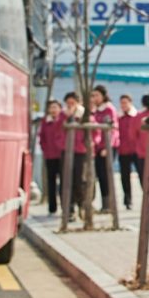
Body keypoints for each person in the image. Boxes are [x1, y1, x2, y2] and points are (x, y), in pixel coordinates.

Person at [59, 91, 88, 219]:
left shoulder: (84, 115)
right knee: (66, 179)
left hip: (81, 151)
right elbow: (57, 132)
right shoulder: (62, 115)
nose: (70, 105)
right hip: (66, 150)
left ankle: (82, 205)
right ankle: (69, 208)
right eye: (68, 103)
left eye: (73, 103)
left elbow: (93, 132)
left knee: (79, 180)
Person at [90, 85, 119, 213]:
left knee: (105, 176)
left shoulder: (109, 109)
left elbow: (113, 129)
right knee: (96, 176)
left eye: (96, 95)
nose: (94, 98)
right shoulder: (94, 110)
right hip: (96, 148)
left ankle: (108, 204)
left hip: (107, 147)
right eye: (93, 95)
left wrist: (108, 146)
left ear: (103, 95)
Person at [38, 100, 65, 215]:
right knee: (51, 182)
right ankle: (52, 207)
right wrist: (45, 149)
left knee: (64, 182)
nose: (53, 110)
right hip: (50, 156)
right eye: (51, 107)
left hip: (62, 155)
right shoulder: (45, 121)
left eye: (56, 107)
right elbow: (42, 137)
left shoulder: (63, 121)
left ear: (60, 109)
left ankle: (65, 206)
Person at [118, 94, 140, 210]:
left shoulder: (137, 116)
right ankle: (127, 200)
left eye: (125, 103)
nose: (123, 105)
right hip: (123, 151)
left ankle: (148, 199)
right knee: (125, 177)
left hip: (137, 151)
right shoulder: (119, 118)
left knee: (142, 175)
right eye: (122, 103)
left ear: (130, 103)